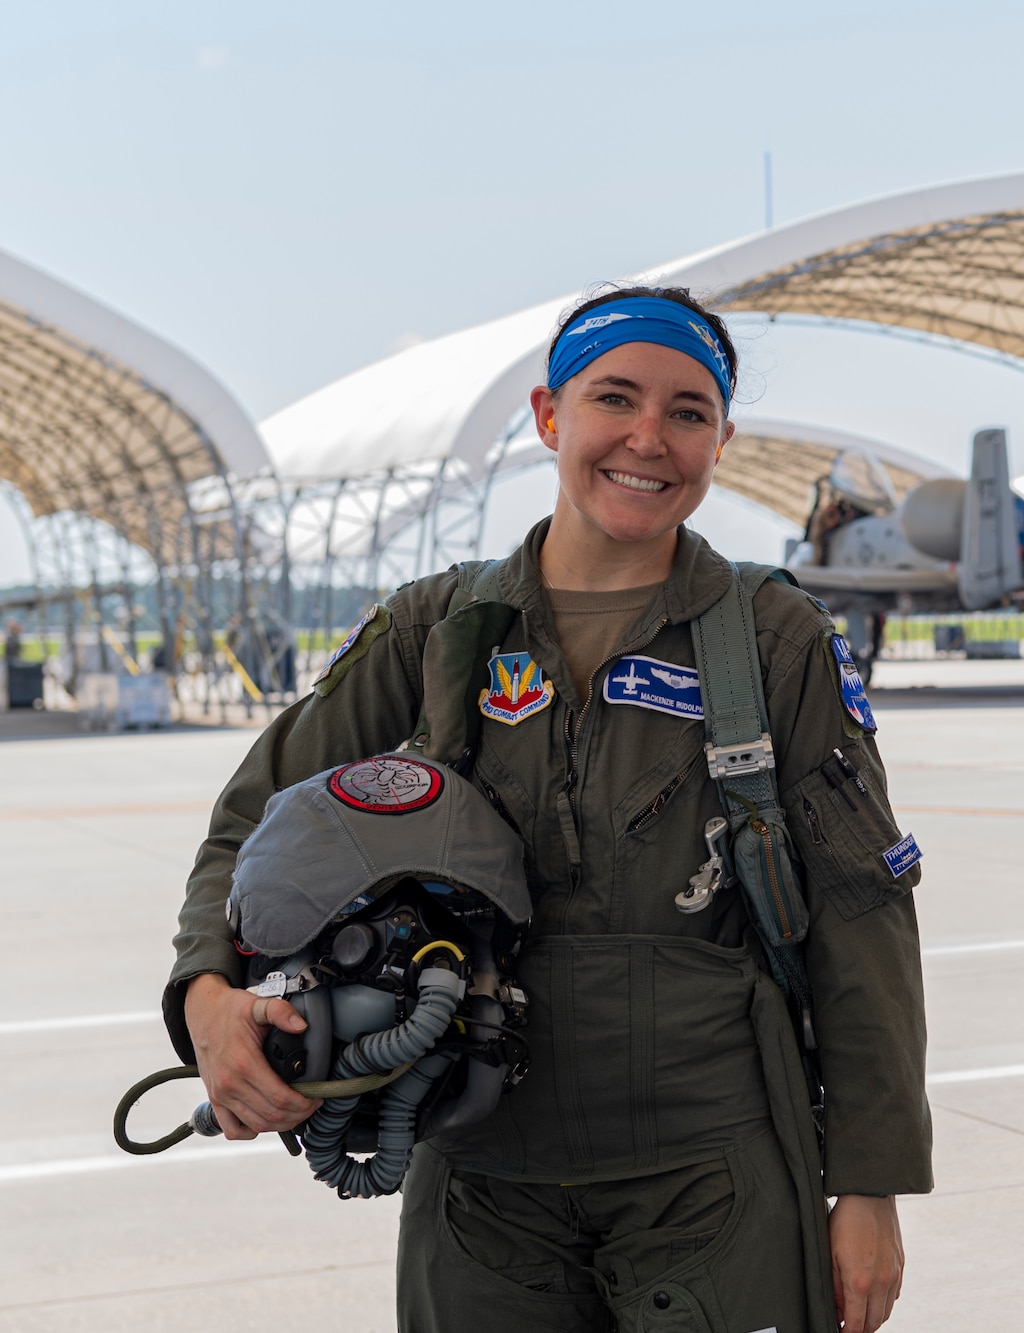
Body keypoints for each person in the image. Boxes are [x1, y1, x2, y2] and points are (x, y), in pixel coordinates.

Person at [164, 285, 932, 1333]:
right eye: (613, 397)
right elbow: (255, 813)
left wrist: (871, 1182)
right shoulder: (436, 629)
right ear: (547, 417)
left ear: (722, 439)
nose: (647, 438)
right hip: (483, 1172)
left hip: (713, 1176)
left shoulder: (772, 637)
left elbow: (860, 908)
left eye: (688, 412)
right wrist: (207, 992)